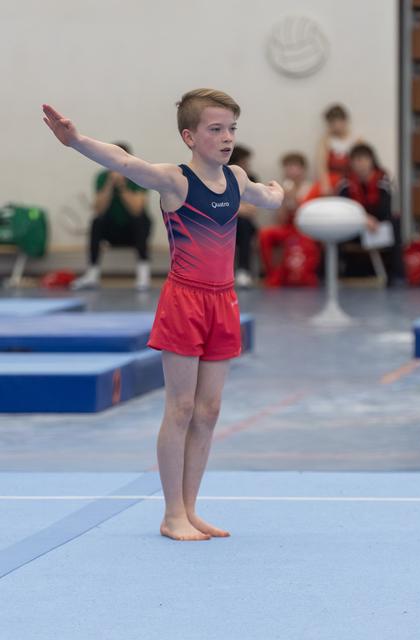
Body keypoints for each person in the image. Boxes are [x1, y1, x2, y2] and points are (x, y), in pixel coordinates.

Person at [42, 89, 283, 541]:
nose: (227, 137)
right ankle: (172, 513)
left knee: (209, 410)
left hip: (224, 300)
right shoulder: (176, 180)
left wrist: (276, 191)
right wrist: (76, 141)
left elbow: (266, 199)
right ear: (190, 137)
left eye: (232, 128)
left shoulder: (235, 177)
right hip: (185, 300)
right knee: (182, 407)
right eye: (216, 129)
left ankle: (190, 510)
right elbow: (126, 164)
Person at [71, 142, 152, 291]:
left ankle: (143, 274)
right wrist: (109, 184)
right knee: (96, 222)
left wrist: (122, 186)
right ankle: (92, 274)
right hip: (112, 232)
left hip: (133, 232)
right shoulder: (102, 177)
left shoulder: (139, 175)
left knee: (141, 220)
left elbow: (137, 209)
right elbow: (98, 209)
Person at [336, 143, 396, 279]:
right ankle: (336, 272)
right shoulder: (345, 183)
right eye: (356, 160)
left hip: (377, 226)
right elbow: (344, 208)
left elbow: (385, 208)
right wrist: (362, 219)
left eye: (364, 159)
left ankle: (395, 273)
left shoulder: (383, 181)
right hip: (354, 226)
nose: (360, 164)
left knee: (396, 223)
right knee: (335, 228)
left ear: (372, 160)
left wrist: (372, 221)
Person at [259, 153, 320, 287]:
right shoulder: (282, 189)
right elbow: (280, 220)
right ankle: (272, 273)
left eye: (294, 166)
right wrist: (284, 200)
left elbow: (310, 216)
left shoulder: (312, 188)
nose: (291, 171)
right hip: (288, 228)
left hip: (306, 231)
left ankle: (301, 275)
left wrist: (295, 199)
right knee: (265, 234)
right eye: (288, 167)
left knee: (305, 242)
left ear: (303, 169)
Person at [228, 145, 258, 287]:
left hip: (242, 224)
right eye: (245, 162)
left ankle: (243, 271)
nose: (248, 165)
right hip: (223, 223)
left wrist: (232, 207)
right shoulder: (221, 177)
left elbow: (251, 210)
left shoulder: (250, 179)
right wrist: (237, 208)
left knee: (244, 224)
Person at [313, 104, 357, 197]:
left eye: (338, 121)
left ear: (345, 121)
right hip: (331, 180)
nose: (336, 126)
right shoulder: (325, 141)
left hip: (351, 180)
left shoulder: (357, 141)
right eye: (332, 123)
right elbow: (321, 166)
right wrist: (325, 185)